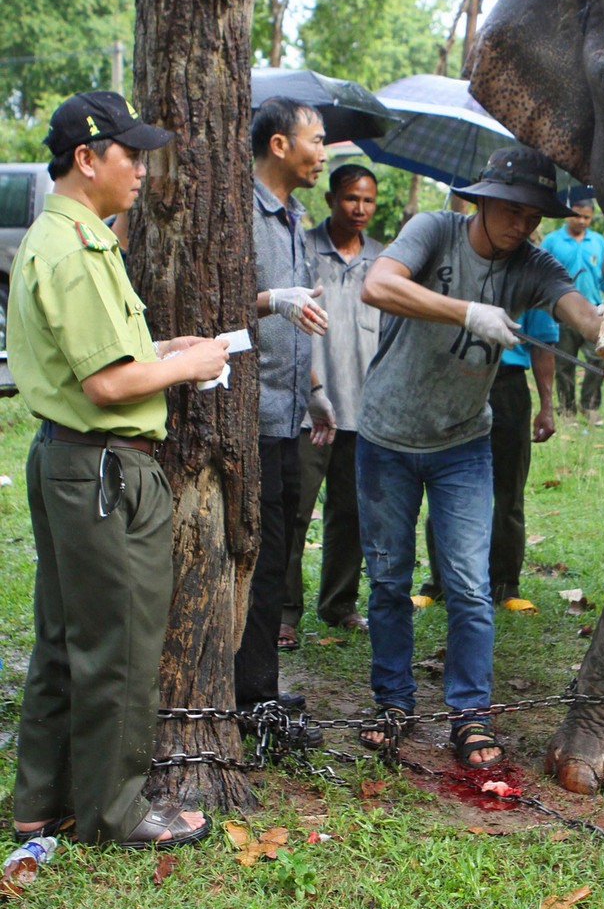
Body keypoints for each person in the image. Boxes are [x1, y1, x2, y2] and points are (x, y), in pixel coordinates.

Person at [7, 90, 230, 848]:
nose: (141, 167)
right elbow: (105, 385)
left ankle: (41, 799)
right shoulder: (73, 248)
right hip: (104, 469)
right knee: (121, 647)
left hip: (74, 458)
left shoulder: (70, 237)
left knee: (67, 639)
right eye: (130, 153)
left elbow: (101, 361)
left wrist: (166, 352)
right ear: (87, 158)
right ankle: (116, 810)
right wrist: (189, 365)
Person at [355, 146, 602, 769]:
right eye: (512, 209)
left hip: (463, 443)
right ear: (483, 200)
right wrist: (467, 311)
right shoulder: (434, 230)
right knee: (388, 580)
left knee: (468, 584)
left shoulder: (532, 265)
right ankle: (394, 703)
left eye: (533, 214)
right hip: (386, 436)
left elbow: (577, 311)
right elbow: (378, 285)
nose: (522, 224)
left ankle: (470, 714)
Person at [234, 98, 334, 721]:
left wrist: (317, 390)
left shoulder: (296, 216)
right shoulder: (240, 211)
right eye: (315, 140)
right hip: (248, 415)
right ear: (278, 144)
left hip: (290, 411)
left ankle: (261, 688)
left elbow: (300, 319)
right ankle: (249, 695)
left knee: (283, 552)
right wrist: (272, 298)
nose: (323, 153)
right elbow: (209, 298)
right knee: (260, 555)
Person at [281, 164, 382, 648]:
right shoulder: (303, 248)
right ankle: (283, 613)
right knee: (295, 511)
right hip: (308, 407)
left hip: (364, 408)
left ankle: (339, 603)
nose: (359, 209)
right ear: (330, 199)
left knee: (352, 512)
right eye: (350, 199)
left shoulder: (385, 260)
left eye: (367, 201)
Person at [417, 307, 558, 610]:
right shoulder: (456, 267)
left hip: (507, 386)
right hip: (453, 383)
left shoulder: (531, 274)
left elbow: (544, 344)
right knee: (445, 483)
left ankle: (506, 586)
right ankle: (440, 581)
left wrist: (547, 405)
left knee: (508, 491)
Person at [541, 202, 604, 421]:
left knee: (600, 360)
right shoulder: (552, 241)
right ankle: (567, 409)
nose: (581, 221)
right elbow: (540, 275)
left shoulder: (598, 241)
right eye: (577, 216)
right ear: (568, 215)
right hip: (563, 314)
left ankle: (589, 405)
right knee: (564, 364)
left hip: (594, 312)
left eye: (587, 218)